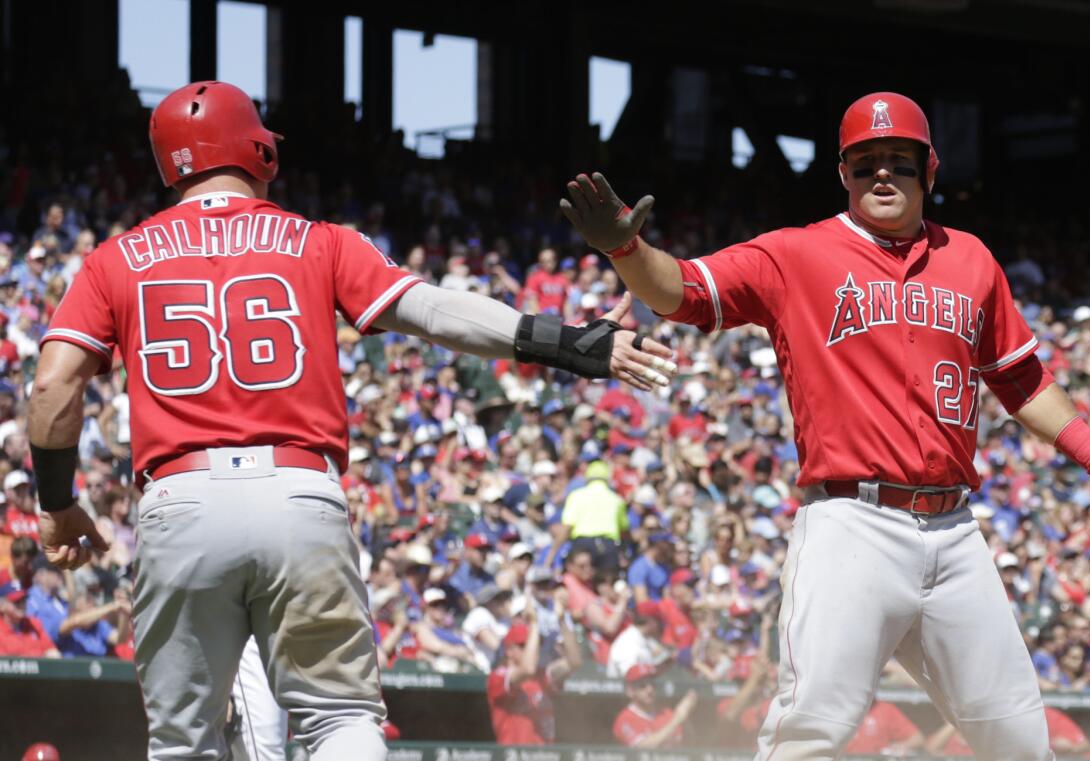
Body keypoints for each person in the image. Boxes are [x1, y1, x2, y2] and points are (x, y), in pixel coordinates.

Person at [31, 80, 676, 761]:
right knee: (339, 717)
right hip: (298, 491)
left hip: (178, 500)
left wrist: (57, 501)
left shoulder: (113, 258)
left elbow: (52, 385)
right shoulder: (318, 240)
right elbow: (434, 310)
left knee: (183, 741)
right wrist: (567, 342)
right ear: (258, 149)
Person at [559, 90, 1090, 760]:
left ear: (928, 172)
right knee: (809, 729)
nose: (882, 173)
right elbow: (681, 290)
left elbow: (1019, 378)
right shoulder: (794, 253)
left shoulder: (973, 259)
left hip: (957, 532)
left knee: (1020, 740)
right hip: (853, 524)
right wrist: (626, 249)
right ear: (842, 173)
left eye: (899, 161)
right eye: (865, 160)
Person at [486, 601, 582, 745]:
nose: (532, 649)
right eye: (524, 645)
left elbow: (574, 662)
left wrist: (563, 621)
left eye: (535, 645)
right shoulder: (498, 677)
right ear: (509, 650)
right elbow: (527, 669)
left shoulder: (541, 676)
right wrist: (534, 624)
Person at [612, 664, 698, 748]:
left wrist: (685, 716)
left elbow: (688, 744)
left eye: (652, 683)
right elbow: (642, 749)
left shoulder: (667, 713)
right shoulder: (625, 719)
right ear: (630, 691)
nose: (650, 689)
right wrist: (676, 720)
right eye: (642, 685)